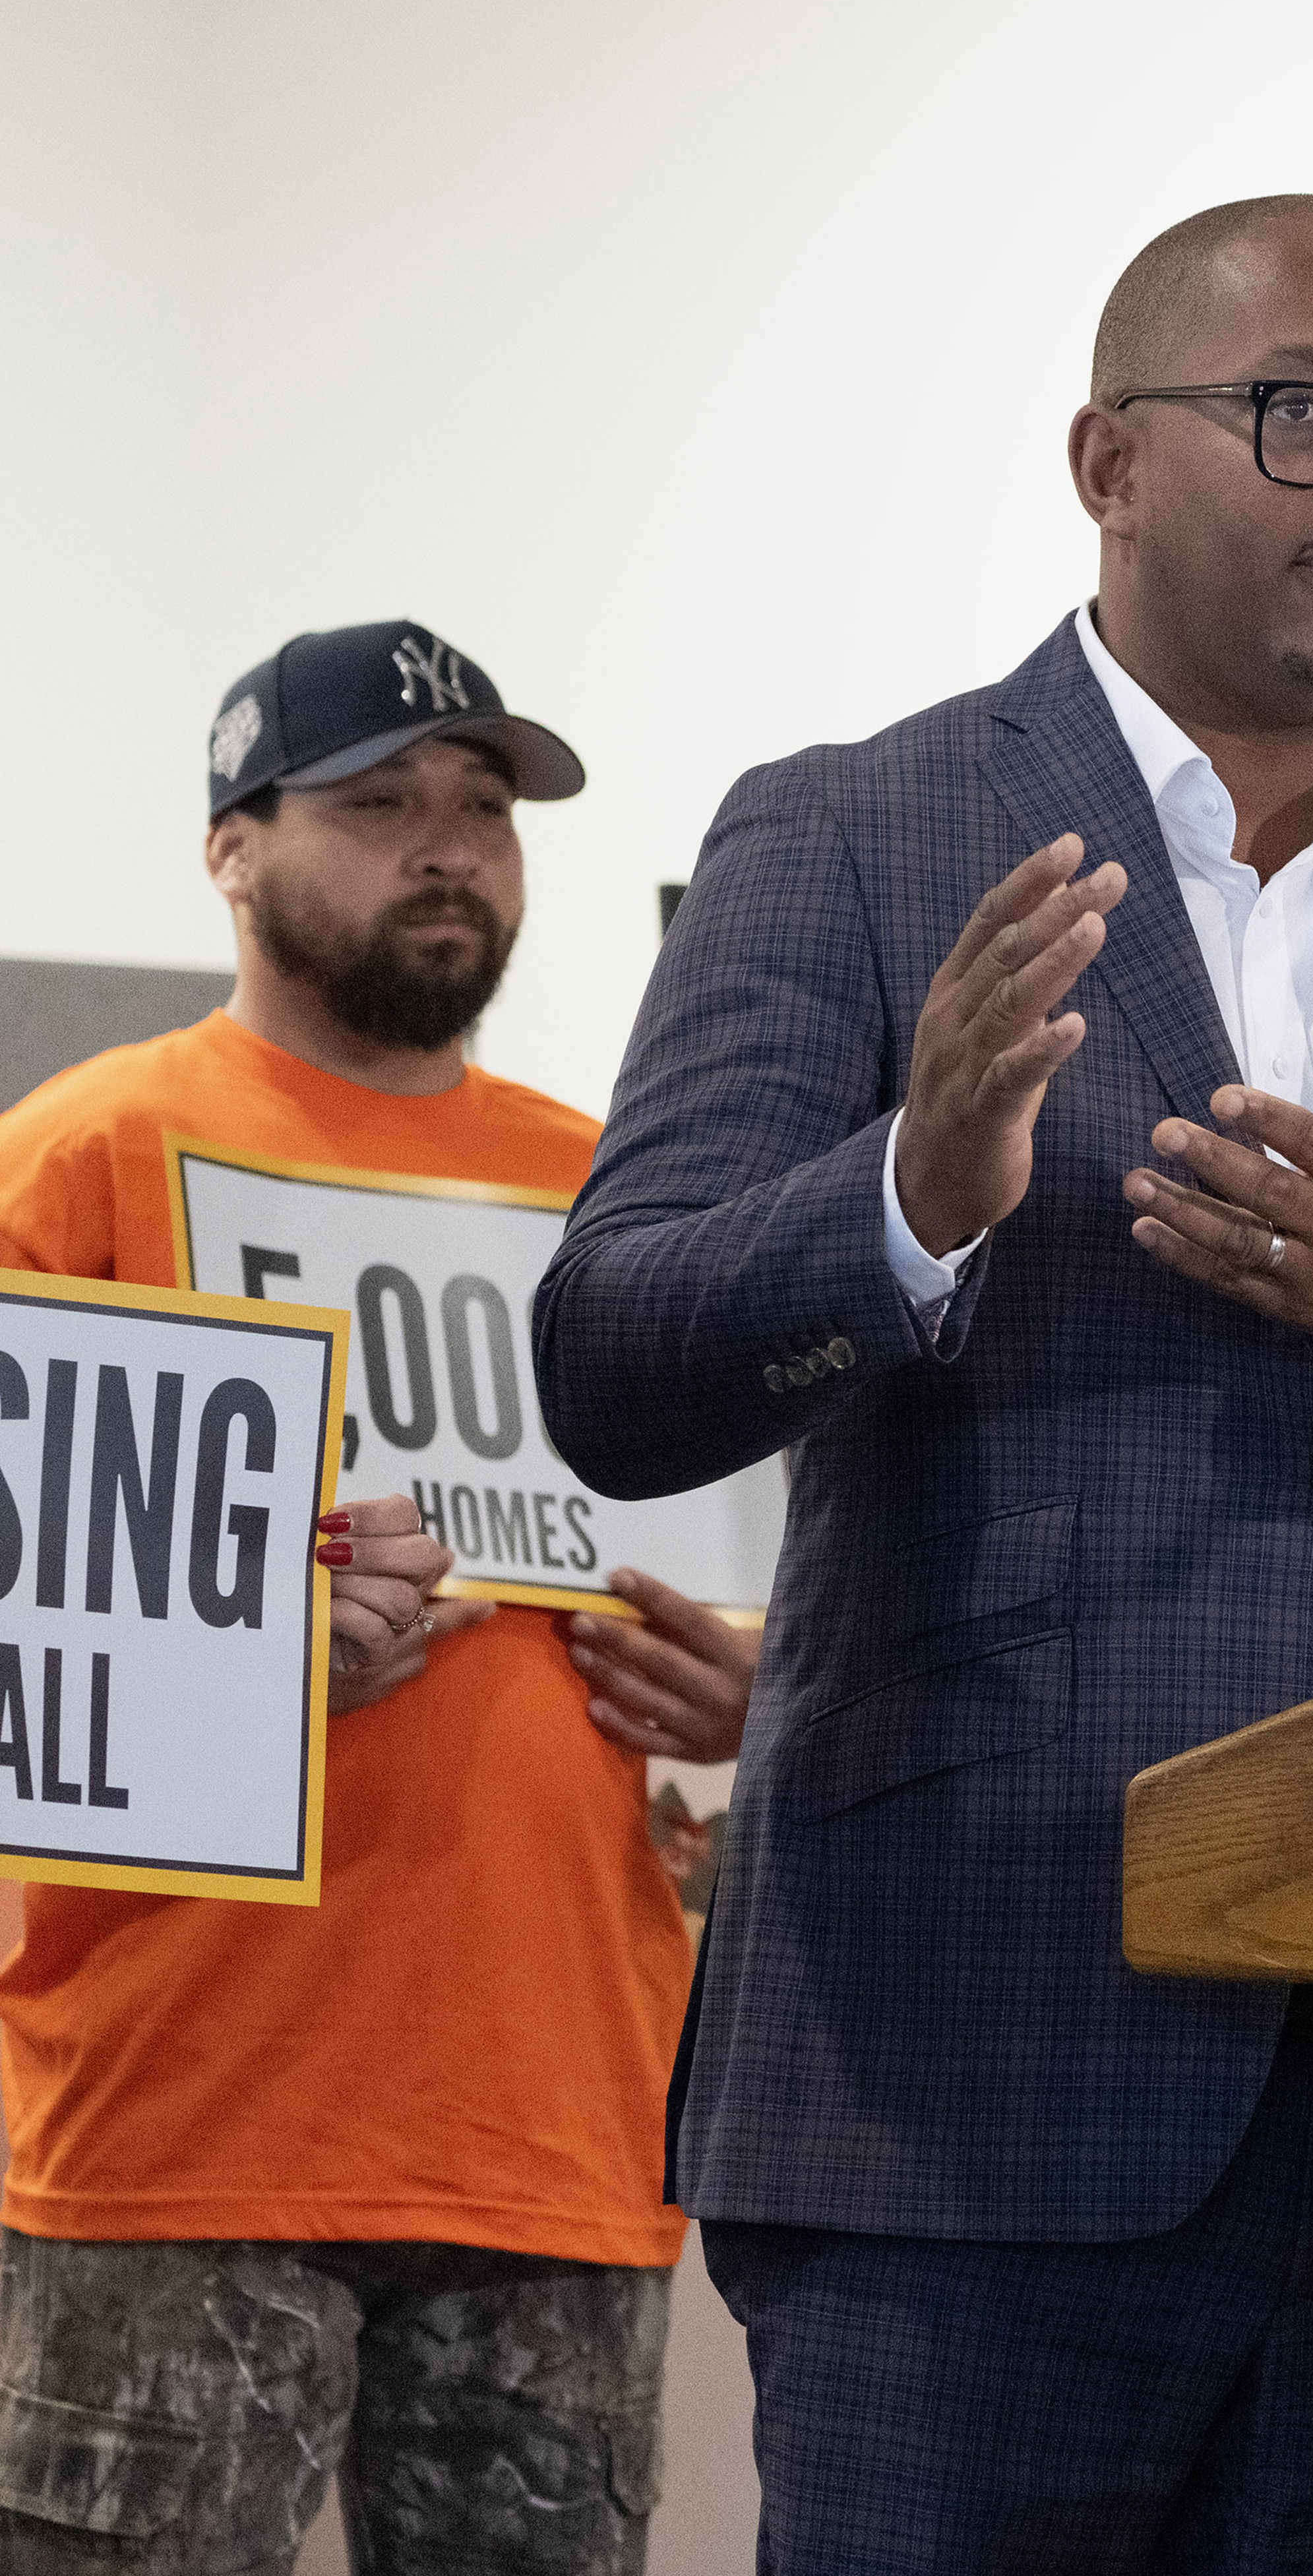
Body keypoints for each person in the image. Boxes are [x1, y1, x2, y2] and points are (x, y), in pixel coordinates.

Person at [530, 198, 1313, 2571]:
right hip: (968, 2085)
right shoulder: (853, 833)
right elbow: (612, 1362)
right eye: (1305, 413)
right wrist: (906, 1198)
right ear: (1111, 458)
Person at [0, 620, 755, 2575]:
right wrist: (229, 1666)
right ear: (232, 851)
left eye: (485, 809)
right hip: (176, 2129)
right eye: (379, 805)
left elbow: (768, 1576)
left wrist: (768, 1685)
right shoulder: (82, 1161)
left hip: (559, 2123)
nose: (450, 847)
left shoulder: (620, 1197)